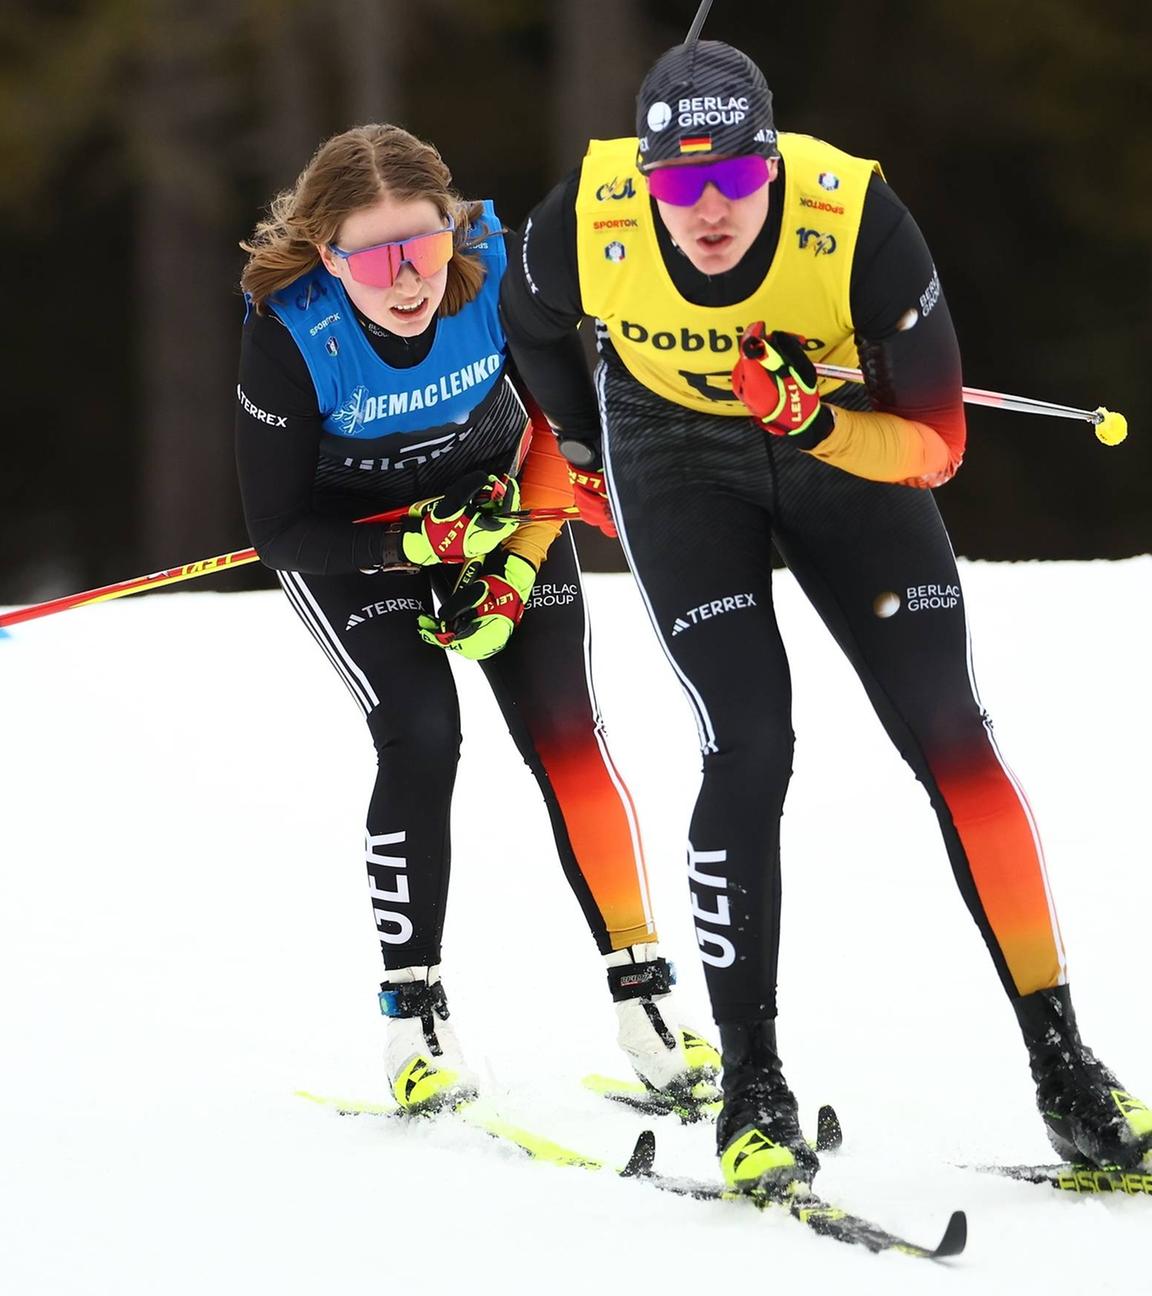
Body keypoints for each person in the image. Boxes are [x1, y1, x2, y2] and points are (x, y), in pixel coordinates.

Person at [500, 40, 1152, 1191]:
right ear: (643, 179)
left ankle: (1065, 1069)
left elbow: (939, 445)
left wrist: (813, 424)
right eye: (679, 185)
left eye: (736, 183)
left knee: (952, 736)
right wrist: (584, 443)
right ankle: (752, 1087)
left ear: (775, 167)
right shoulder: (587, 215)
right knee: (749, 740)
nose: (708, 211)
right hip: (676, 455)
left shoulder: (857, 220)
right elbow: (531, 318)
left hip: (840, 448)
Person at [235, 124, 718, 1116]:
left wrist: (519, 557)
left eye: (422, 243)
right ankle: (413, 1021)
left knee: (567, 735)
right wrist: (411, 551)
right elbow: (280, 531)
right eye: (373, 255)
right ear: (328, 254)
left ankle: (646, 1002)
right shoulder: (290, 329)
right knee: (422, 734)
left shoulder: (498, 269)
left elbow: (561, 427)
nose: (406, 276)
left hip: (501, 507)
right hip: (357, 539)